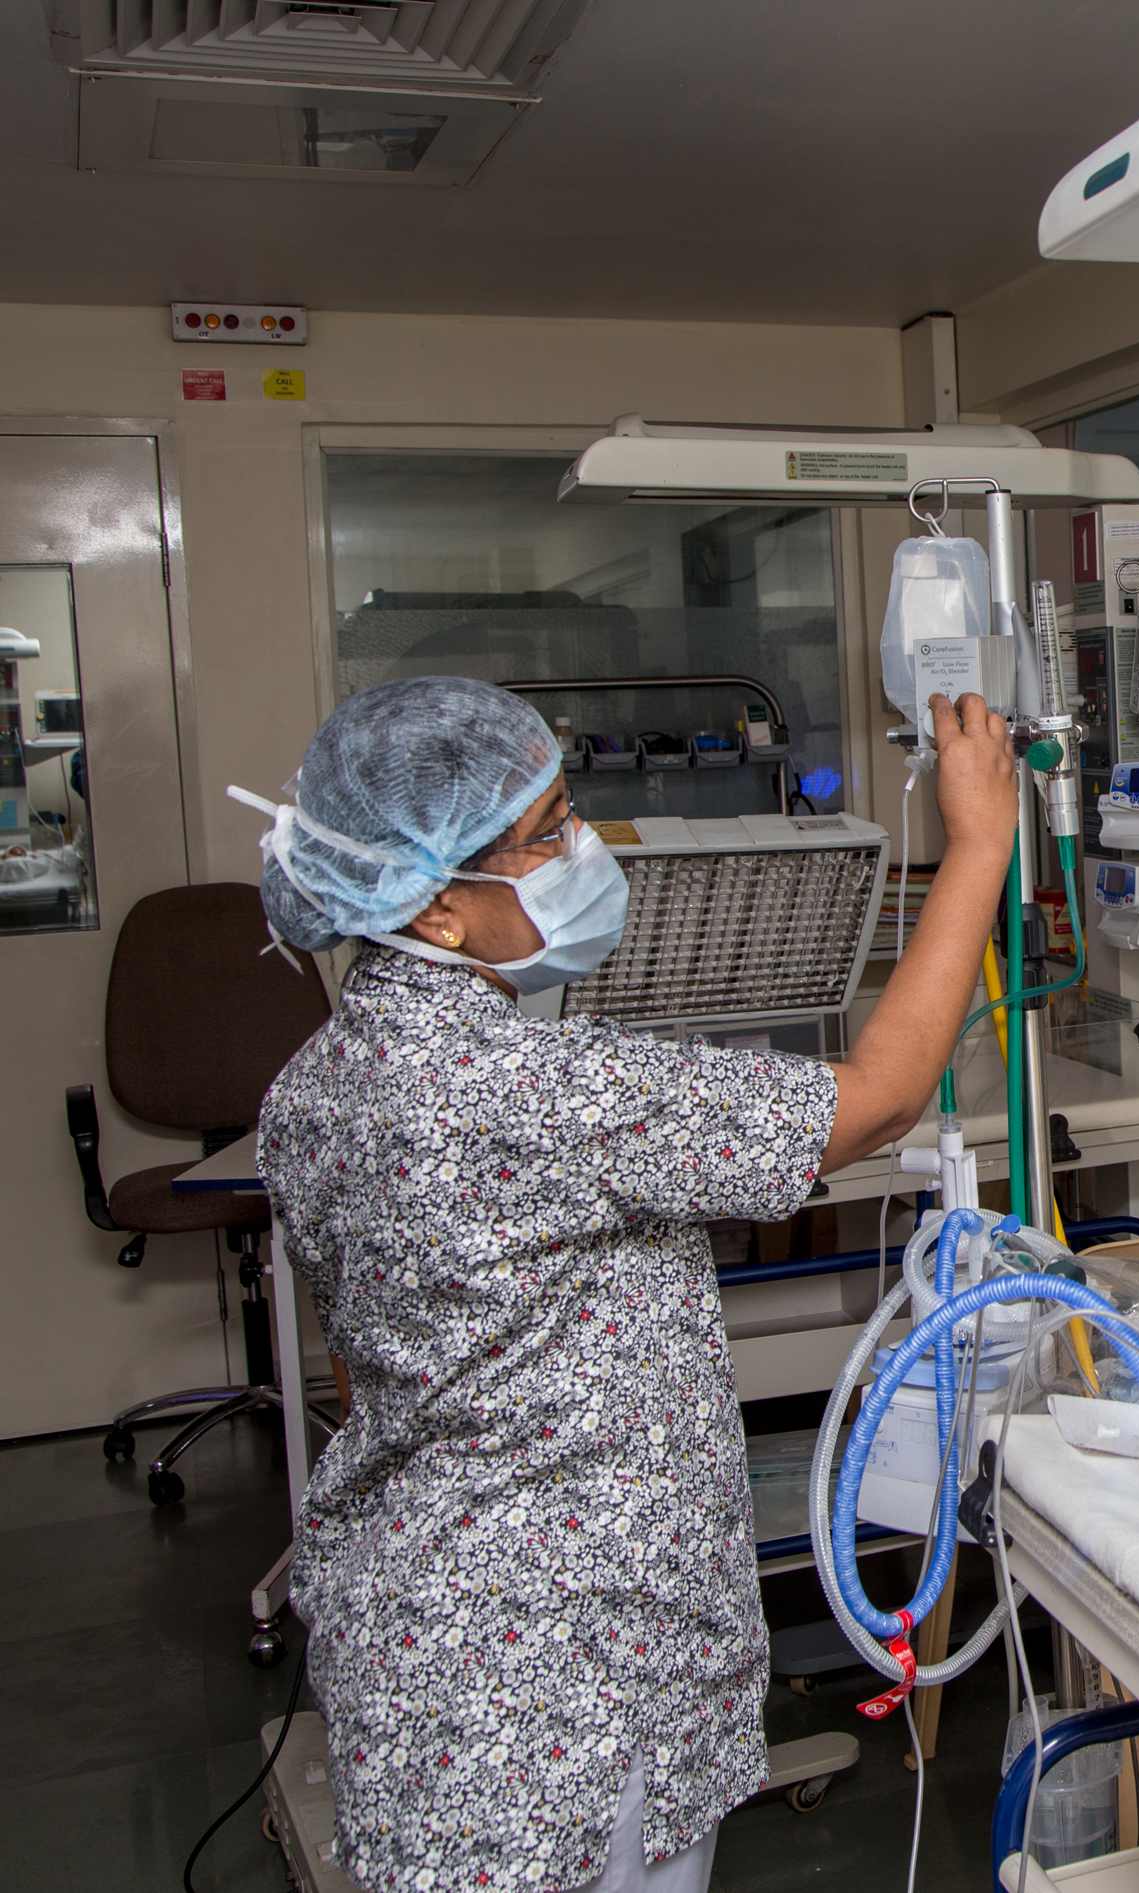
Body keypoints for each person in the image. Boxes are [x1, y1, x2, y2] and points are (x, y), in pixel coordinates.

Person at [243, 675, 1017, 1893]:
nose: (583, 850)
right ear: (438, 905)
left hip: (420, 1656)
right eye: (547, 833)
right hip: (564, 1690)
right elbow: (877, 1099)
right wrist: (976, 842)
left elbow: (371, 1343)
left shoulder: (311, 1089)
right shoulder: (531, 1091)